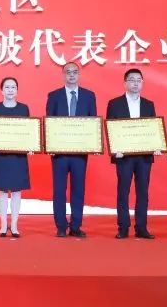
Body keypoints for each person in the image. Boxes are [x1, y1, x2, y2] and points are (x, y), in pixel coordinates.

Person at [45, 61, 98, 238]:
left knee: (78, 189)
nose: (72, 75)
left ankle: (76, 226)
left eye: (75, 71)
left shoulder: (89, 96)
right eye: (68, 72)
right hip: (59, 152)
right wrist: (50, 145)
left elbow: (93, 122)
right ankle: (61, 226)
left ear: (79, 74)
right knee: (59, 190)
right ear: (63, 75)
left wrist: (94, 143)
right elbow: (49, 121)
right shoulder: (54, 96)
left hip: (80, 153)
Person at [106, 68, 160, 239]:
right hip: (124, 156)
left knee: (143, 192)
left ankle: (141, 227)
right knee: (123, 191)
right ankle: (123, 227)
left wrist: (156, 145)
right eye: (132, 80)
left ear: (142, 83)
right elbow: (111, 129)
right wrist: (115, 150)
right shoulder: (114, 104)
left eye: (138, 80)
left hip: (144, 156)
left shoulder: (149, 104)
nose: (135, 83)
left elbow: (153, 129)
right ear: (125, 83)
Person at [0, 77, 30, 238]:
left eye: (13, 87)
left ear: (17, 90)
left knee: (17, 191)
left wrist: (30, 146)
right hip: (1, 156)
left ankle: (14, 225)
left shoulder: (24, 109)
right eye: (7, 87)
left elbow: (28, 131)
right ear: (2, 90)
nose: (10, 90)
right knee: (1, 190)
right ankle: (2, 225)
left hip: (18, 156)